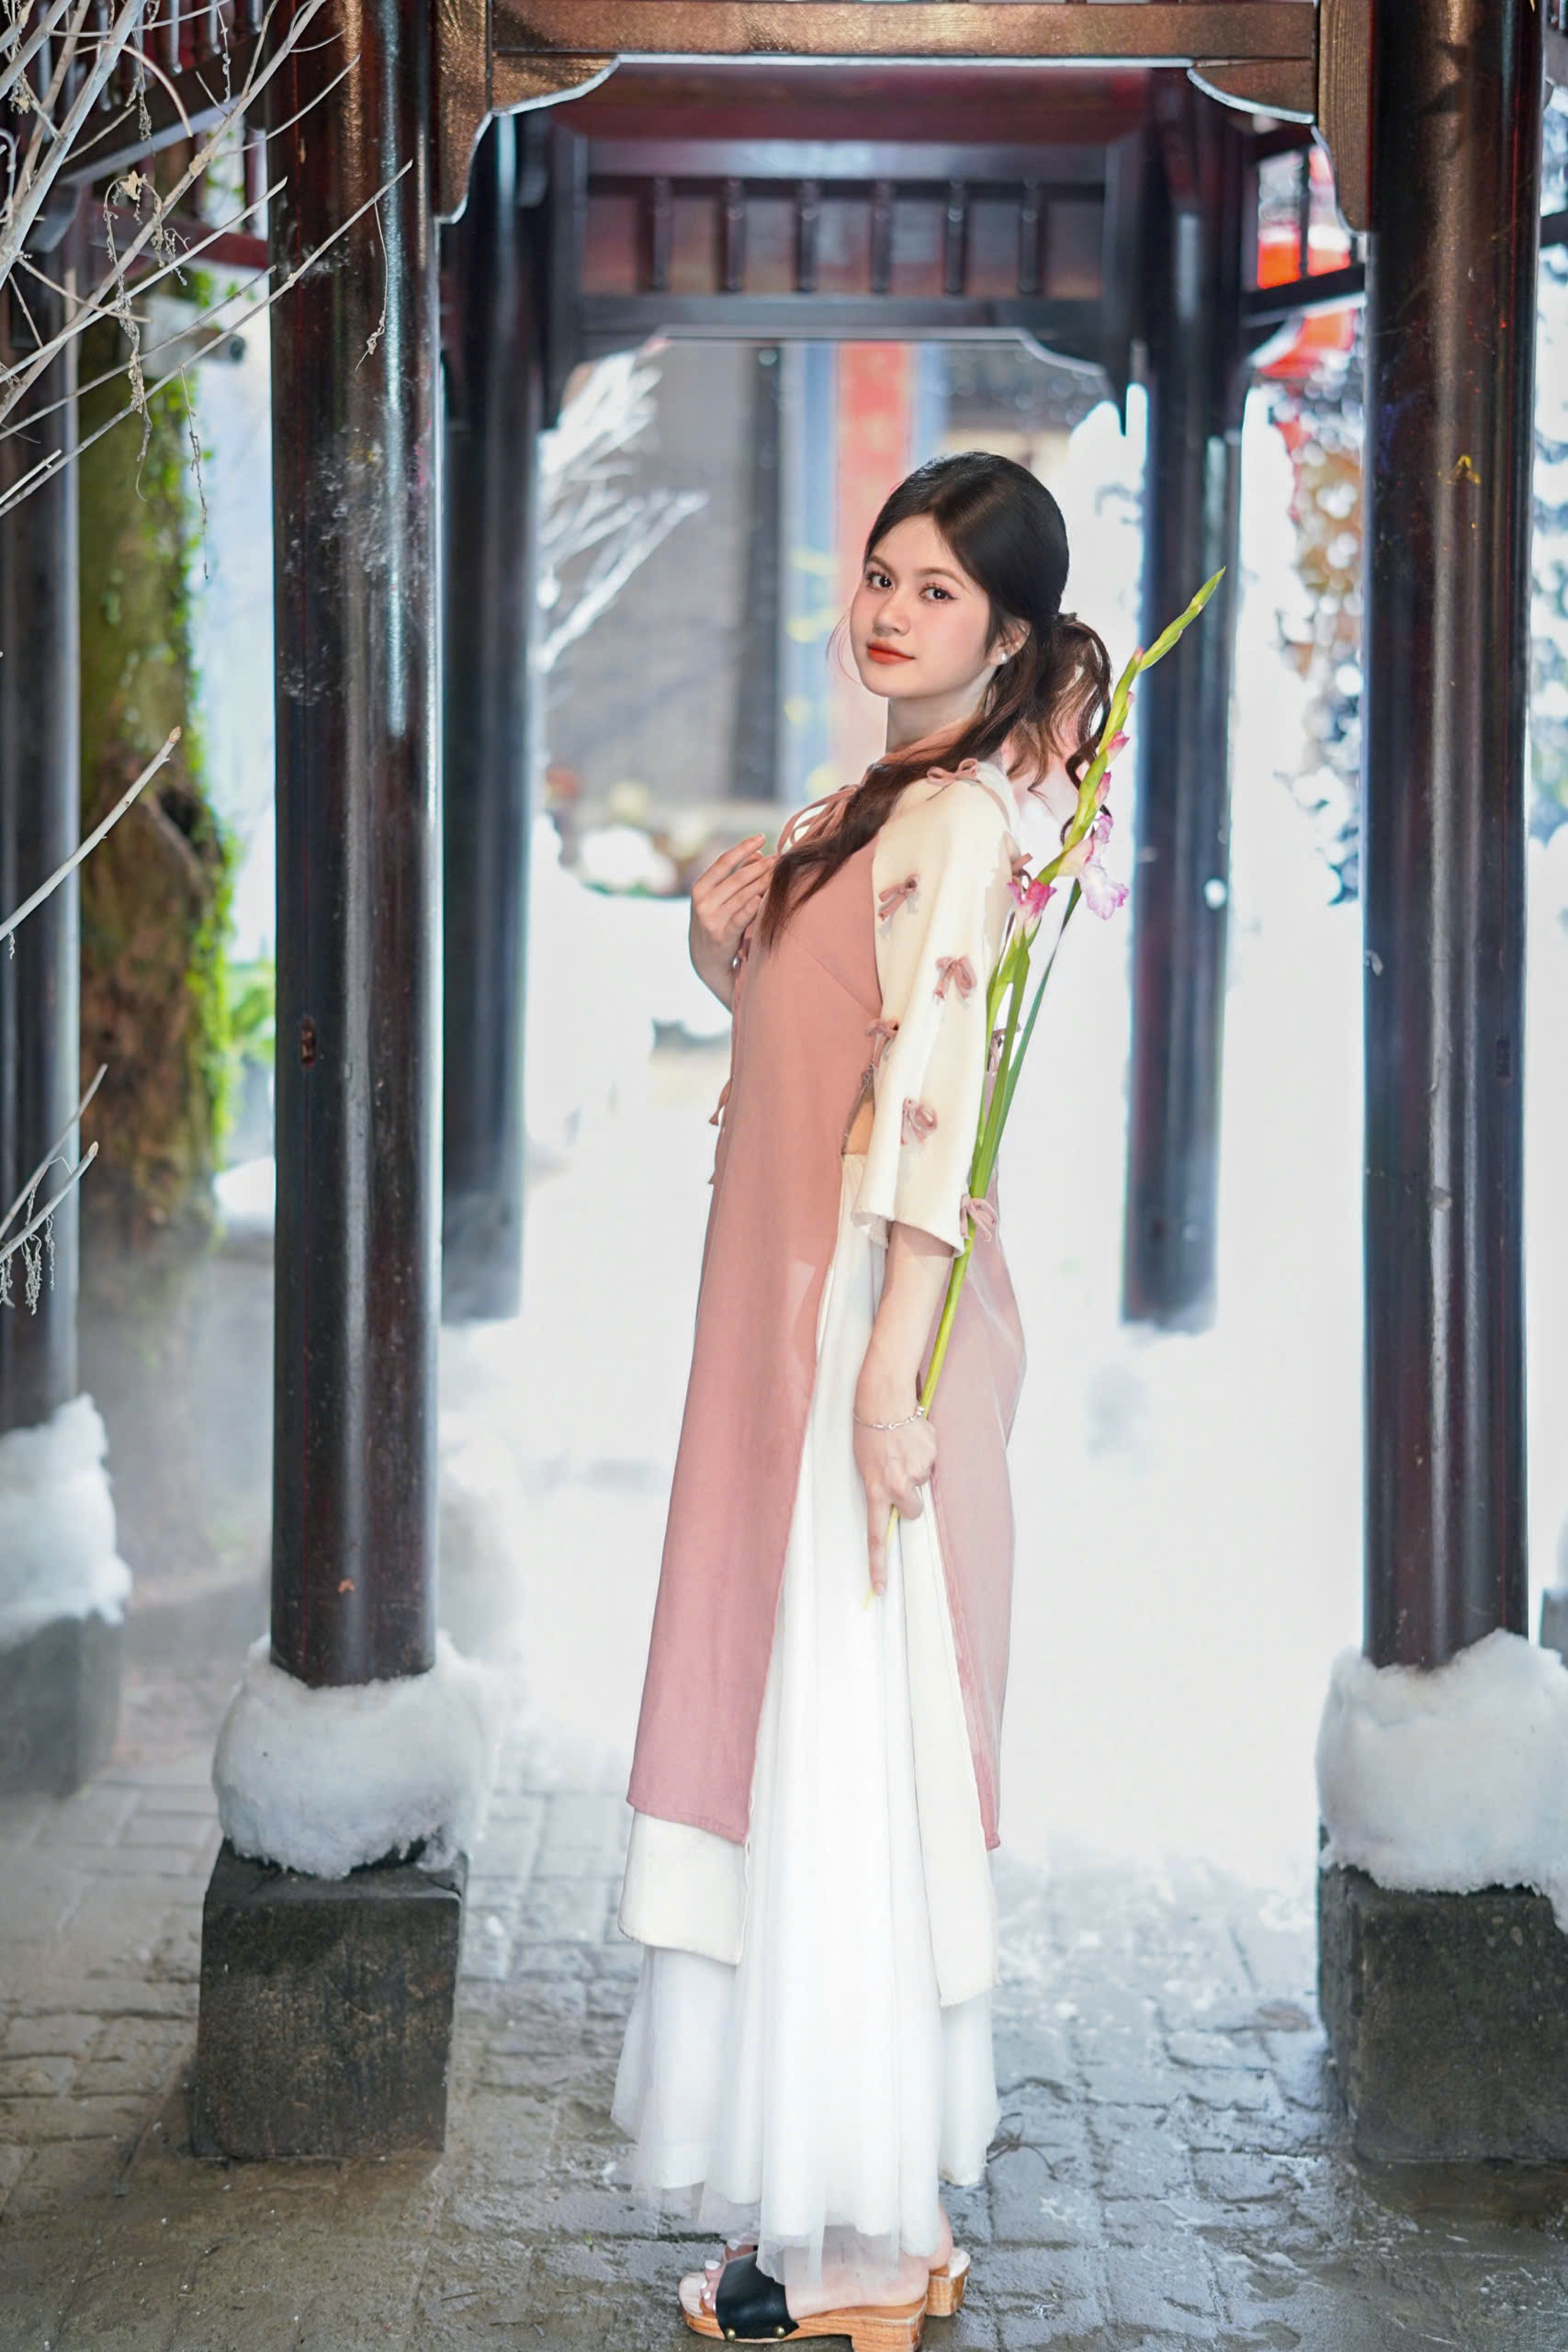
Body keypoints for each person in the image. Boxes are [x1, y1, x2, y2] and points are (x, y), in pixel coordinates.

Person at [611, 450, 1111, 2348]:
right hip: (789, 1315)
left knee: (835, 1751)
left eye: (935, 590)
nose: (889, 610)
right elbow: (823, 1042)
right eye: (883, 574)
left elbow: (928, 1120)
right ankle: (863, 2210)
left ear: (1003, 635)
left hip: (850, 1332)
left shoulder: (961, 824)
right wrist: (720, 948)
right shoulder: (866, 806)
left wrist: (892, 1375)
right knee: (801, 1735)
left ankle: (852, 2251)